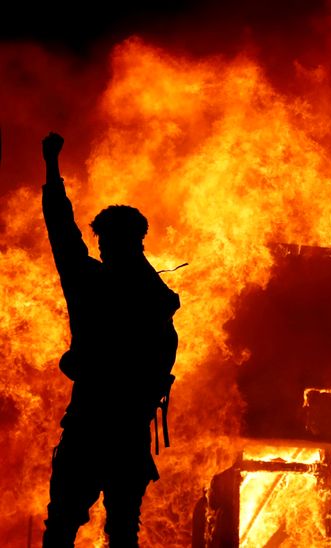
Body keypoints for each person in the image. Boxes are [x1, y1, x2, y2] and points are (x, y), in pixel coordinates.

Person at [40, 132, 180, 547]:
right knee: (120, 532)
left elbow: (61, 230)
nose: (102, 249)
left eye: (105, 241)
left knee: (64, 526)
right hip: (126, 432)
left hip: (91, 426)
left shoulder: (92, 285)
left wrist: (51, 165)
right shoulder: (153, 296)